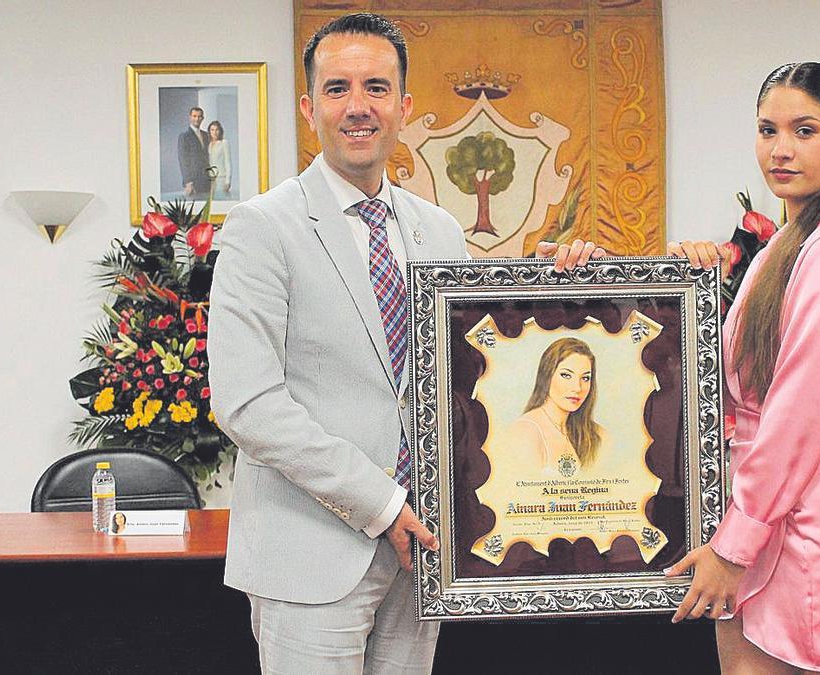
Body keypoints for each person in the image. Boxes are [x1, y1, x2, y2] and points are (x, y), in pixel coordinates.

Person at [208, 13, 603, 674]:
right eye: (337, 89)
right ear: (309, 108)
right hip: (311, 557)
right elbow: (248, 404)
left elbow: (482, 374)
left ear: (404, 107)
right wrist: (385, 503)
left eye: (376, 88)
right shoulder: (262, 228)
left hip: (422, 554)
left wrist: (566, 286)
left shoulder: (440, 230)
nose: (357, 107)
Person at [664, 62, 820, 674]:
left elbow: (798, 413)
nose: (781, 149)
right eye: (767, 130)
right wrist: (693, 286)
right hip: (776, 514)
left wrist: (734, 545)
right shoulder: (790, 240)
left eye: (804, 130)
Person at [508, 337, 604, 475]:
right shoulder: (526, 431)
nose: (577, 388)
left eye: (585, 378)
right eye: (566, 375)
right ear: (547, 375)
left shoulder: (594, 434)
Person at [177, 106, 210, 199]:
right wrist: (188, 182)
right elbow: (183, 160)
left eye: (199, 116)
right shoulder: (184, 136)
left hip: (206, 180)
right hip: (193, 181)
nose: (197, 119)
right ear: (190, 117)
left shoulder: (206, 135)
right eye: (194, 116)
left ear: (202, 118)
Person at [207, 120, 232, 200]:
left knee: (221, 200)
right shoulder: (209, 144)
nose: (215, 132)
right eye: (212, 130)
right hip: (211, 179)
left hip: (221, 178)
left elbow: (228, 162)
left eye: (217, 130)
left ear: (220, 131)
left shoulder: (224, 143)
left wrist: (227, 181)